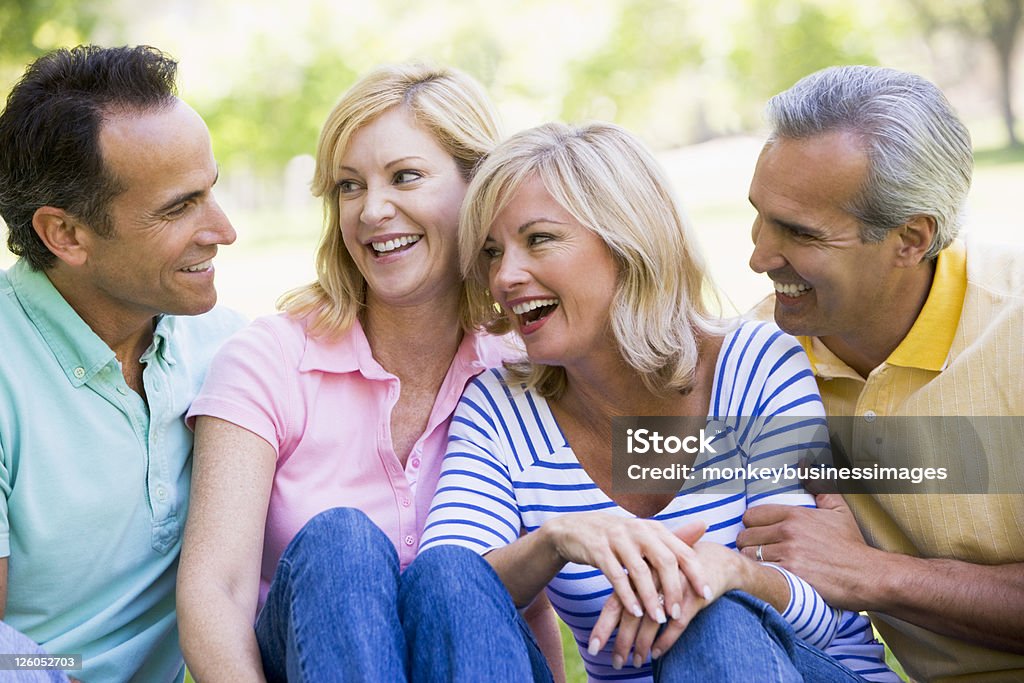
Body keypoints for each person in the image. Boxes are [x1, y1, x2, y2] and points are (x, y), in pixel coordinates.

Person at [420, 121, 898, 682]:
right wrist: (557, 540)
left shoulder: (753, 364)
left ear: (628, 244)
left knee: (714, 619)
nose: (505, 276)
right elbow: (445, 593)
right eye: (492, 252)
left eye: (540, 239)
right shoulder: (500, 408)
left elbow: (826, 611)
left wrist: (733, 574)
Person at [177, 62, 564, 682]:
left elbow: (529, 606)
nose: (372, 210)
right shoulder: (268, 361)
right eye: (349, 186)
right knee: (342, 546)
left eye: (404, 177)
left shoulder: (523, 368)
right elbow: (215, 592)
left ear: (478, 188)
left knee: (460, 578)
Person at [740, 64, 1024, 681]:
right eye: (761, 215)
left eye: (800, 232)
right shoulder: (758, 360)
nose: (759, 255)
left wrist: (874, 575)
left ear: (911, 238)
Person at [0, 45, 243, 683]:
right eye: (178, 207)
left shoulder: (230, 352)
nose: (223, 228)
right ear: (66, 234)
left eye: (211, 191)